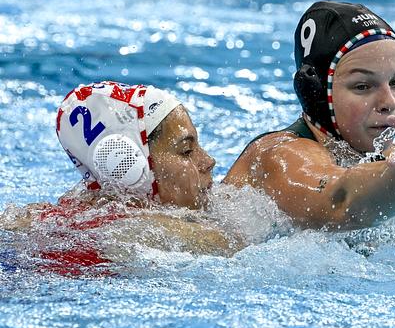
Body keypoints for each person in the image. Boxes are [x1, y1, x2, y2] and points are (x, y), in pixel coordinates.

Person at [225, 1, 395, 230]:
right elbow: (340, 202)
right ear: (317, 95)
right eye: (363, 86)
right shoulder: (278, 156)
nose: (389, 102)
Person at [0, 81, 242, 273]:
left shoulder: (56, 215)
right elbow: (232, 244)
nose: (208, 161)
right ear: (129, 167)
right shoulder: (141, 229)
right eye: (187, 150)